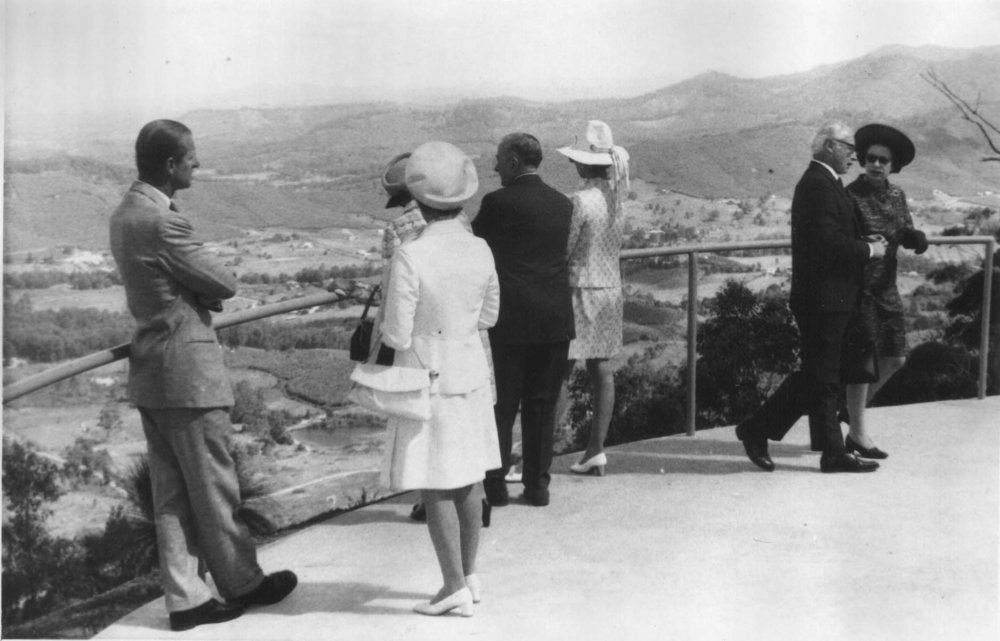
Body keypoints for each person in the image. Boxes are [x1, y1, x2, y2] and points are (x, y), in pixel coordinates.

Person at [109, 120, 296, 632]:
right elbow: (224, 282)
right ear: (170, 165)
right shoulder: (163, 221)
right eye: (191, 156)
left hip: (152, 371)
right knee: (215, 485)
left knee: (170, 494)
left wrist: (193, 291)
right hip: (188, 373)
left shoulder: (125, 213)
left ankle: (186, 597)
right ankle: (242, 582)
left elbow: (174, 286)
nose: (197, 163)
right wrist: (202, 292)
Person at [378, 141, 501, 617]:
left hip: (427, 376)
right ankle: (469, 575)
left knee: (435, 483)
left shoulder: (411, 255)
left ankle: (451, 585)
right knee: (470, 478)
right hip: (472, 371)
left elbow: (396, 330)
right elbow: (490, 316)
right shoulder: (481, 248)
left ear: (418, 199)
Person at [734, 121, 887, 474]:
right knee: (822, 376)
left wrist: (866, 239)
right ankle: (773, 434)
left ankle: (797, 440)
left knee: (820, 375)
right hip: (824, 299)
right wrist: (869, 250)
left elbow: (833, 232)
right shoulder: (818, 185)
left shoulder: (824, 182)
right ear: (830, 146)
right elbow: (826, 243)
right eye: (849, 147)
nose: (855, 154)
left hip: (829, 297)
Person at [472, 133, 575, 507]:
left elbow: (474, 246)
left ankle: (495, 489)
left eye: (499, 159)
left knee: (503, 406)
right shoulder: (562, 203)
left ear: (514, 161)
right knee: (542, 406)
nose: (494, 166)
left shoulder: (497, 203)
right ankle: (538, 487)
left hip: (510, 320)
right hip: (554, 318)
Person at [843, 124, 927, 459]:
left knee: (896, 358)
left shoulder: (897, 195)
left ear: (893, 166)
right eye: (872, 158)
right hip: (860, 289)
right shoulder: (850, 196)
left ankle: (851, 413)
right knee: (862, 364)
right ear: (864, 160)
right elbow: (845, 242)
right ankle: (858, 434)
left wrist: (913, 236)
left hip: (887, 287)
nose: (877, 164)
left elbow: (903, 227)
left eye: (884, 160)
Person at [553, 120, 631, 476]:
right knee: (602, 368)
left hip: (579, 288)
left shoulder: (579, 201)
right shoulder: (619, 200)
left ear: (584, 164)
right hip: (610, 289)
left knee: (561, 372)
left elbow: (564, 249)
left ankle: (540, 451)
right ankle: (596, 449)